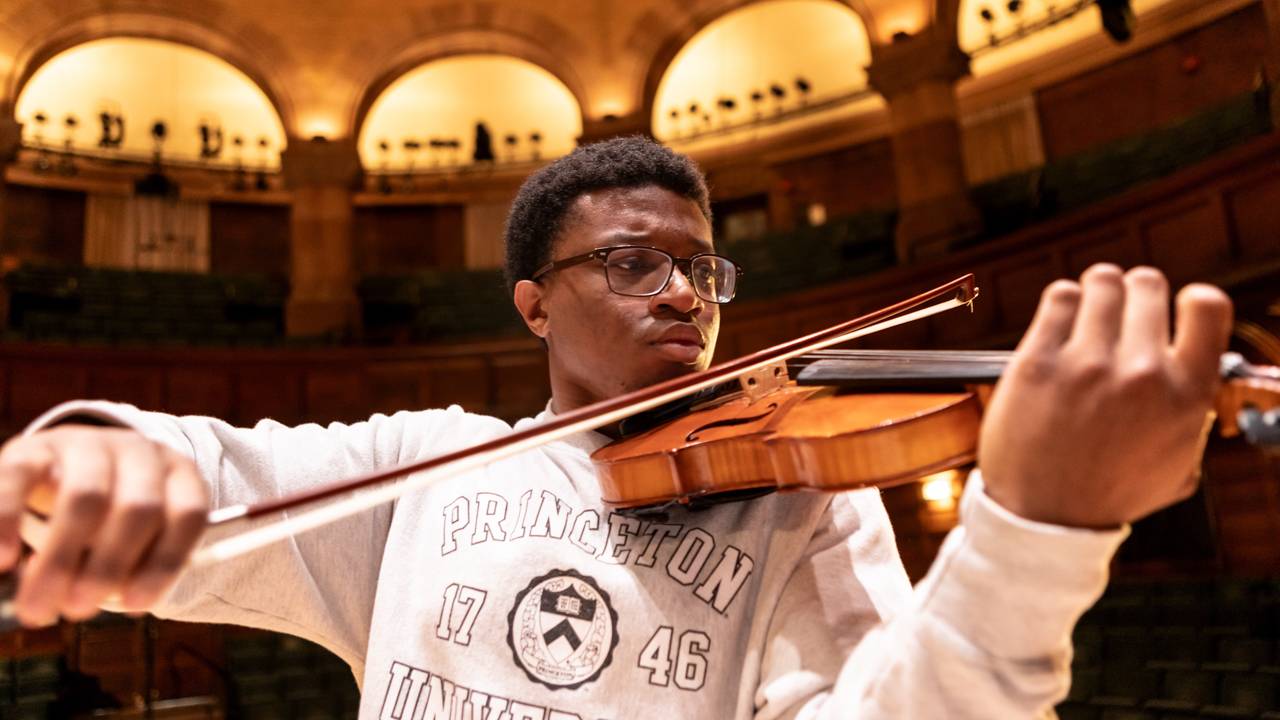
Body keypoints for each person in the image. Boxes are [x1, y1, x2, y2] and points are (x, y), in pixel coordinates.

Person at [0, 137, 1232, 719]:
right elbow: (216, 471)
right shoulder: (425, 460)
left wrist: (1035, 530)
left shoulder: (798, 495)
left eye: (700, 269)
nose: (682, 294)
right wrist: (89, 450)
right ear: (534, 304)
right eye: (633, 263)